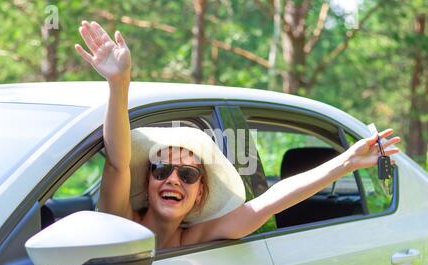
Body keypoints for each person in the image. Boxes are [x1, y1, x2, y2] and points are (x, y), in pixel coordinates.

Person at [75, 21, 401, 249]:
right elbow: (118, 162)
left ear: (200, 193)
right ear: (147, 183)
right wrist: (119, 83)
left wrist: (346, 162)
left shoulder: (197, 239)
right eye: (162, 170)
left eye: (188, 174)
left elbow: (269, 203)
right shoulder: (120, 219)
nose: (173, 179)